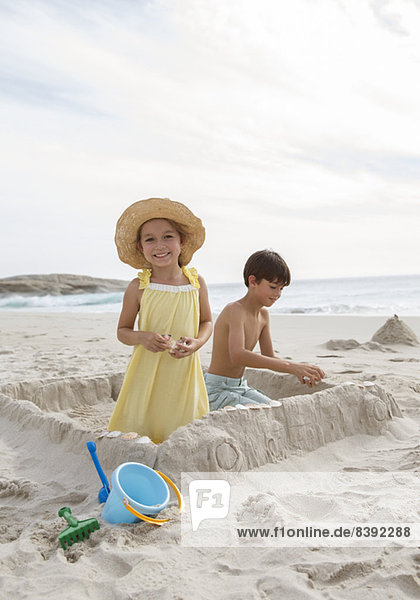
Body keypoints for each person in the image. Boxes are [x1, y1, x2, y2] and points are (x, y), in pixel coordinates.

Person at [108, 197, 212, 443]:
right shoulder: (139, 287)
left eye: (168, 236)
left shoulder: (196, 283)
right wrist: (143, 337)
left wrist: (197, 343)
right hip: (146, 371)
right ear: (140, 247)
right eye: (150, 239)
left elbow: (207, 322)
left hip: (183, 371)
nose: (159, 245)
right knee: (139, 428)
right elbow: (123, 331)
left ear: (181, 241)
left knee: (182, 433)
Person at [204, 250, 325, 410]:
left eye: (281, 289)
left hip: (240, 386)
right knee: (265, 411)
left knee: (276, 408)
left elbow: (269, 357)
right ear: (253, 281)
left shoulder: (263, 315)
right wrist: (291, 366)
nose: (278, 294)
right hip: (217, 389)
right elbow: (238, 355)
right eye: (273, 287)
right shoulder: (234, 310)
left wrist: (298, 370)